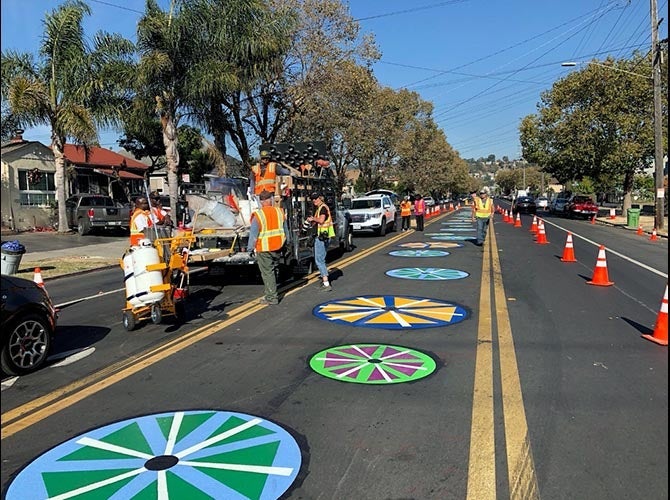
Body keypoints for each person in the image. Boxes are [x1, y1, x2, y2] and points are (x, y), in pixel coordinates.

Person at [246, 190, 288, 305]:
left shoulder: (258, 215)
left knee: (267, 272)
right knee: (273, 270)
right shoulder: (279, 212)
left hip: (264, 248)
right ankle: (271, 291)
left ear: (261, 201)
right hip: (278, 246)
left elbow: (253, 234)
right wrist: (287, 244)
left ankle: (271, 297)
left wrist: (250, 249)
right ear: (271, 200)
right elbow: (286, 230)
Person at [307, 191, 335, 291]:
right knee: (321, 259)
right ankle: (325, 280)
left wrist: (313, 219)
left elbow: (322, 220)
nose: (314, 200)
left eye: (316, 198)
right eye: (313, 199)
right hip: (324, 236)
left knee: (319, 260)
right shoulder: (321, 208)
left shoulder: (323, 208)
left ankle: (326, 283)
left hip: (322, 238)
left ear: (320, 198)